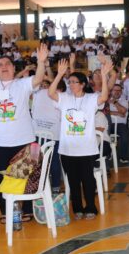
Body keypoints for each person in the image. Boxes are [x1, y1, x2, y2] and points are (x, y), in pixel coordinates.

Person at [48, 58, 113, 220]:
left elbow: (104, 97)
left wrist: (104, 76)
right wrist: (59, 75)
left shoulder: (91, 99)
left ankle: (90, 206)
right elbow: (50, 93)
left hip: (87, 149)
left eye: (74, 82)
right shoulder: (65, 98)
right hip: (67, 149)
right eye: (69, 82)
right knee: (73, 181)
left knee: (87, 180)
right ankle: (77, 208)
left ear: (83, 84)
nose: (71, 84)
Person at [0, 44, 49, 223]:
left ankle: (27, 209)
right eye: (0, 64)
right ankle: (6, 211)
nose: (4, 66)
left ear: (13, 68)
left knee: (27, 176)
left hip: (25, 140)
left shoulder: (22, 84)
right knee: (0, 179)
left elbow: (38, 79)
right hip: (0, 142)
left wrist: (41, 62)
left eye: (7, 64)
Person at [109, 84, 129, 163]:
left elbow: (123, 111)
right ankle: (107, 154)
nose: (117, 92)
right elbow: (105, 112)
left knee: (124, 136)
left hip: (120, 125)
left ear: (121, 92)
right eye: (115, 90)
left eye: (119, 90)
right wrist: (117, 113)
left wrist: (114, 102)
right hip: (108, 123)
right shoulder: (106, 100)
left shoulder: (124, 101)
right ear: (111, 91)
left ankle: (123, 157)